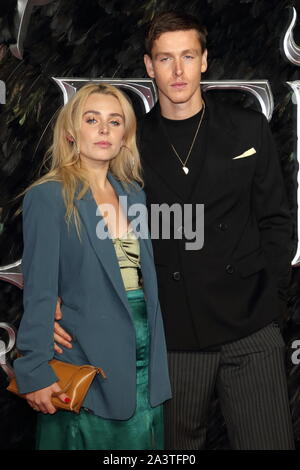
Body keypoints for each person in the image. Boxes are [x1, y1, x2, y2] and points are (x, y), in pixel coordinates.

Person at [54, 12, 295, 449]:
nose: (178, 70)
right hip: (172, 336)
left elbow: (278, 220)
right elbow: (89, 221)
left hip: (251, 327)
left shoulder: (246, 127)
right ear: (149, 66)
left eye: (188, 56)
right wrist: (57, 296)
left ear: (204, 60)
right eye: (166, 59)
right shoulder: (129, 142)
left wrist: (271, 297)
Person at [13, 82, 171, 450]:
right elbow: (40, 292)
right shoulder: (49, 196)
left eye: (115, 122)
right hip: (85, 355)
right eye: (92, 119)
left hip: (144, 356)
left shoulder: (134, 194)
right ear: (71, 131)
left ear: (125, 137)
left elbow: (141, 280)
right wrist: (34, 369)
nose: (104, 129)